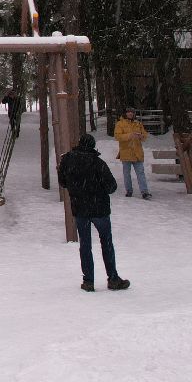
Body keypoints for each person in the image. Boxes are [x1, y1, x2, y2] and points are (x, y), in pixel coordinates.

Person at [57, 133, 130, 292]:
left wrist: (77, 188)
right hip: (99, 209)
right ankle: (113, 278)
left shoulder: (67, 161)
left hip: (80, 208)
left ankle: (88, 281)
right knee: (106, 243)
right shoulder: (98, 163)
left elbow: (62, 182)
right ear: (92, 146)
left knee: (85, 245)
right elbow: (112, 187)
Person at [113, 107, 152, 199]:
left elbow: (145, 135)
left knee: (140, 173)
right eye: (129, 112)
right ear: (125, 114)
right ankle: (129, 191)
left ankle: (144, 192)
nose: (130, 114)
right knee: (127, 174)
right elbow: (117, 136)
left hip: (137, 153)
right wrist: (130, 135)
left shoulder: (138, 123)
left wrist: (141, 136)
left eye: (132, 112)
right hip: (126, 152)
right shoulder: (120, 124)